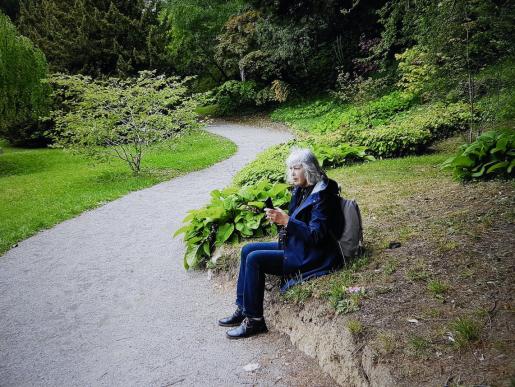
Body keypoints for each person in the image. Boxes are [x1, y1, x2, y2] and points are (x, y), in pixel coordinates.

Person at [219, 148, 343, 339]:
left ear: (309, 169)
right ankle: (243, 308)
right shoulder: (301, 189)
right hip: (299, 246)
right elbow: (297, 223)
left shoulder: (323, 196)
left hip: (315, 255)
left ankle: (255, 321)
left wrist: (287, 221)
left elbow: (317, 236)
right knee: (247, 249)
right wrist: (280, 219)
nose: (292, 173)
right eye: (291, 168)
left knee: (255, 259)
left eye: (297, 168)